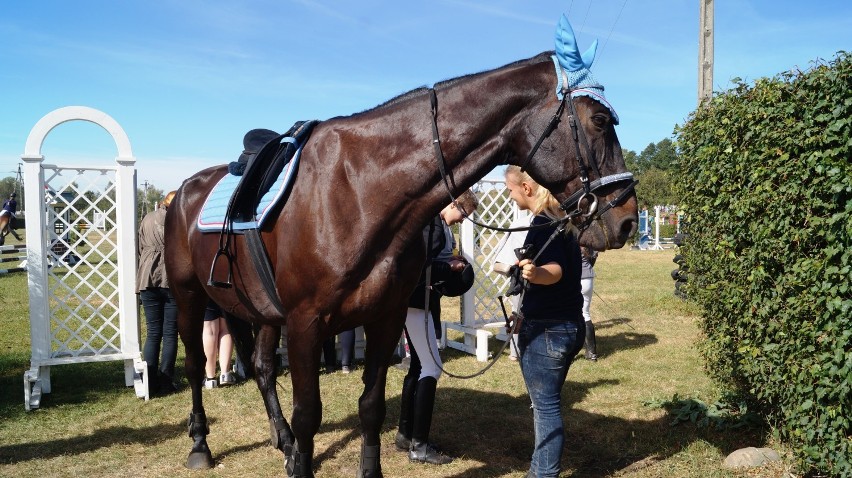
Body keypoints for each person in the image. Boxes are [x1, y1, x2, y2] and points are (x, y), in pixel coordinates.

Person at [504, 166, 584, 477]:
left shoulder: (541, 223)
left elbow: (556, 269)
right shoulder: (562, 220)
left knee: (546, 409)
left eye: (510, 190)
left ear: (526, 188)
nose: (509, 196)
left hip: (547, 330)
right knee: (545, 405)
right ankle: (538, 470)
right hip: (569, 324)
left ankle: (544, 474)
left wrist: (536, 274)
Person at [396, 190, 478, 466]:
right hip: (417, 301)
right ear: (454, 203)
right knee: (431, 368)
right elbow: (420, 266)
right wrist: (449, 268)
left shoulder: (436, 223)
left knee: (419, 366)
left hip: (420, 302)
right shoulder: (431, 223)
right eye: (463, 213)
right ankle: (419, 446)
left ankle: (405, 434)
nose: (462, 220)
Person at [137, 190, 179, 396]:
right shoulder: (178, 219)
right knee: (170, 332)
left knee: (153, 332)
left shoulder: (147, 218)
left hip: (147, 277)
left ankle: (149, 381)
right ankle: (166, 380)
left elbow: (139, 247)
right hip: (171, 278)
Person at [202, 301, 236, 388]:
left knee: (209, 330)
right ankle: (225, 374)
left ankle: (210, 379)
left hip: (207, 291)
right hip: (226, 290)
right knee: (226, 329)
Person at [580, 246, 599, 361]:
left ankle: (569, 350)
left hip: (574, 278)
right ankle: (592, 353)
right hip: (588, 278)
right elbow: (593, 259)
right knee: (585, 313)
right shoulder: (591, 240)